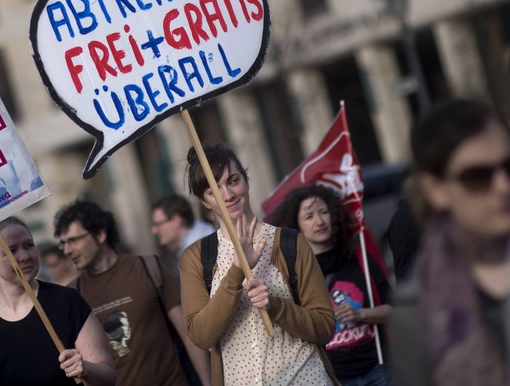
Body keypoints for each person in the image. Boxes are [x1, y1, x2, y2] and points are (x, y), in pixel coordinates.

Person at [180, 143, 337, 385]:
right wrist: (236, 272)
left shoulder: (290, 243)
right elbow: (201, 336)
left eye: (233, 181)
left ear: (246, 179)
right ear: (205, 201)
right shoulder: (196, 258)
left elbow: (325, 326)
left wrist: (275, 306)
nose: (228, 195)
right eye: (214, 190)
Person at [391, 99, 510, 385]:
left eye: (508, 165)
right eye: (477, 177)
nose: (503, 186)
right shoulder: (414, 312)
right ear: (436, 190)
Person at [54, 200, 212, 386]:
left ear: (100, 234)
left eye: (73, 240)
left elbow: (188, 335)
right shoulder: (73, 294)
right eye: (63, 243)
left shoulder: (149, 267)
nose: (67, 250)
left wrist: (208, 382)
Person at [0, 216, 116, 386]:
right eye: (11, 250)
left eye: (29, 245)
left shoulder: (67, 301)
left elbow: (109, 377)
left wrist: (86, 368)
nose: (24, 256)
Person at [269, 183, 393, 385]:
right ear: (296, 227)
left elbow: (394, 309)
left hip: (379, 370)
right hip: (334, 378)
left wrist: (361, 314)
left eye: (324, 212)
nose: (319, 221)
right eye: (309, 216)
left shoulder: (359, 259)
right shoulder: (296, 276)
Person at [151, 193, 215, 268]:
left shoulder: (201, 251)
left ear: (176, 220)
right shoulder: (196, 246)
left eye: (158, 224)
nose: (154, 231)